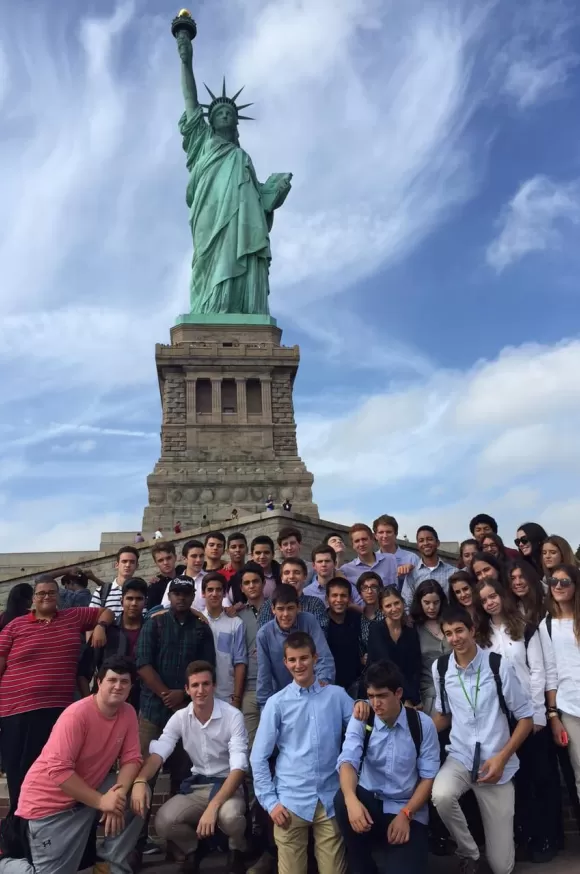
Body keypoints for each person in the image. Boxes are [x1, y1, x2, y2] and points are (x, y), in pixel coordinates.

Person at [0, 656, 143, 874]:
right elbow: (58, 771)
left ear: (131, 686)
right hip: (49, 806)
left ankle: (110, 868)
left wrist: (118, 796)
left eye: (124, 681)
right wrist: (103, 801)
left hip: (87, 796)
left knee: (138, 793)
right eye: (112, 680)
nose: (118, 686)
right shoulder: (77, 715)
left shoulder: (128, 713)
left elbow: (132, 758)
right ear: (99, 681)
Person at [431, 606, 533, 874]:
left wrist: (502, 757)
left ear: (472, 630)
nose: (455, 638)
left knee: (502, 868)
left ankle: (494, 855)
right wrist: (411, 727)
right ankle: (469, 851)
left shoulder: (497, 665)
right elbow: (444, 716)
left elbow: (525, 718)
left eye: (460, 631)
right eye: (449, 633)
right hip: (461, 756)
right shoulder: (440, 668)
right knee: (441, 795)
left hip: (495, 762)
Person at [0, 577, 115, 812]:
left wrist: (100, 626)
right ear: (33, 598)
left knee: (52, 772)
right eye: (41, 593)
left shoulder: (72, 617)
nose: (46, 597)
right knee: (17, 774)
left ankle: (46, 832)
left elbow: (106, 611)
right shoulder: (15, 626)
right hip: (15, 710)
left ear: (58, 596)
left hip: (57, 712)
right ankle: (18, 837)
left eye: (51, 593)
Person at [131, 660, 248, 874]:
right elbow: (159, 753)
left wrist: (213, 808)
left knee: (231, 817)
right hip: (198, 786)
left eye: (205, 684)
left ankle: (237, 849)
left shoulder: (233, 716)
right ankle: (195, 848)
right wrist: (140, 780)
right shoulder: (180, 717)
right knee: (164, 821)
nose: (200, 690)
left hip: (227, 785)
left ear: (213, 685)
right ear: (187, 689)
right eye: (195, 685)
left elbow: (239, 768)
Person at [251, 631, 354, 874]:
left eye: (304, 658)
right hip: (290, 802)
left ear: (315, 658)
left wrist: (362, 707)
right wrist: (270, 802)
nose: (299, 665)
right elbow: (258, 757)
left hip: (329, 799)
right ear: (286, 663)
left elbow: (362, 732)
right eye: (293, 660)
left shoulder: (337, 696)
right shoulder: (277, 703)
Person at [474, 577, 560, 861]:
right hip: (500, 718)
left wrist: (538, 713)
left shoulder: (526, 627)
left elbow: (538, 672)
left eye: (493, 595)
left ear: (503, 595)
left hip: (530, 718)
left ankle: (547, 838)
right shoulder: (481, 635)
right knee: (518, 780)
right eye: (484, 599)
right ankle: (525, 837)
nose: (490, 602)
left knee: (541, 778)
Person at [336, 660, 440, 874]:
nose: (376, 703)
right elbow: (347, 762)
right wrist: (351, 800)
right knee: (341, 799)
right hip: (370, 803)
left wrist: (406, 814)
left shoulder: (422, 724)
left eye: (382, 696)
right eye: (371, 696)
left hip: (406, 806)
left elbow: (428, 778)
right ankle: (362, 862)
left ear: (398, 693)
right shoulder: (363, 718)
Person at [135, 578, 216, 791]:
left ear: (193, 596)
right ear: (169, 596)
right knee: (142, 775)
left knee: (183, 776)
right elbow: (143, 664)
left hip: (186, 711)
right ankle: (136, 825)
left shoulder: (201, 628)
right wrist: (165, 694)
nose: (181, 597)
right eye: (177, 593)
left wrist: (182, 694)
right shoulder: (154, 623)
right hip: (152, 710)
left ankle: (174, 824)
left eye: (186, 593)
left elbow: (207, 669)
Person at [256, 585, 335, 709]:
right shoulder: (264, 634)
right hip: (282, 698)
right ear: (273, 609)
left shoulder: (309, 621)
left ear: (299, 607)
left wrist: (322, 686)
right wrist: (265, 708)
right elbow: (264, 675)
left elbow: (323, 657)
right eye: (280, 609)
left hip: (314, 693)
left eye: (290, 608)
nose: (285, 614)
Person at [540, 565, 580, 803]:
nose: (558, 586)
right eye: (554, 581)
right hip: (571, 709)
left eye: (565, 582)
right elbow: (550, 672)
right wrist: (553, 715)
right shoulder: (547, 625)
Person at [93, 579, 148, 712]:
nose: (134, 603)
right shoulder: (106, 630)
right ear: (121, 600)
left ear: (145, 601)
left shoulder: (153, 630)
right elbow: (86, 670)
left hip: (142, 701)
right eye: (129, 598)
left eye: (139, 599)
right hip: (106, 700)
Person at [365, 586, 421, 708]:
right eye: (388, 606)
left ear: (403, 602)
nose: (394, 608)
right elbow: (387, 664)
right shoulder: (376, 630)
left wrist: (414, 698)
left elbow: (415, 667)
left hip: (407, 694)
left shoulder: (411, 631)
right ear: (382, 610)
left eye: (397, 603)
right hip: (381, 688)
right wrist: (406, 698)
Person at [202, 572, 247, 706]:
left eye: (218, 589)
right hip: (201, 693)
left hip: (227, 694)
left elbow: (240, 662)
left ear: (225, 593)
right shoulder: (197, 621)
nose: (214, 594)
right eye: (210, 590)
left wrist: (237, 697)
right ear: (203, 593)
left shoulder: (236, 623)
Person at [410, 580, 450, 714]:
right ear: (419, 602)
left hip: (458, 689)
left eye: (436, 602)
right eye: (427, 603)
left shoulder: (451, 623)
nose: (432, 607)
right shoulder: (413, 629)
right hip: (429, 694)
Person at [238, 563, 266, 750]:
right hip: (248, 687)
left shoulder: (276, 610)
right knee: (250, 744)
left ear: (263, 583)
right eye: (247, 583)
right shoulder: (237, 615)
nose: (251, 586)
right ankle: (252, 781)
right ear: (241, 588)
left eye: (255, 581)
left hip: (274, 685)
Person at [258, 558, 327, 629]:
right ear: (281, 577)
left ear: (305, 576)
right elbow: (265, 635)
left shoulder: (315, 604)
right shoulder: (268, 606)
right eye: (287, 573)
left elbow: (320, 633)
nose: (291, 576)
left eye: (297, 572)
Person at [325, 578, 365, 696]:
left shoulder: (357, 618)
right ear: (327, 599)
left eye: (343, 596)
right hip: (331, 684)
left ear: (350, 599)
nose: (339, 600)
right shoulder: (322, 622)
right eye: (334, 595)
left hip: (356, 683)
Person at [401, 526, 456, 609]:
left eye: (429, 539)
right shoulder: (412, 575)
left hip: (447, 620)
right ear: (418, 545)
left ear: (437, 543)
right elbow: (406, 604)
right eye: (421, 540)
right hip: (420, 621)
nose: (426, 543)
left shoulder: (452, 572)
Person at [342, 524, 396, 590]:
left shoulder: (390, 560)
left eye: (364, 539)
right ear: (353, 545)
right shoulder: (346, 570)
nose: (361, 544)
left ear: (372, 540)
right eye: (357, 541)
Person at [90, 546, 139, 617]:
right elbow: (91, 619)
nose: (128, 565)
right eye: (124, 561)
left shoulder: (143, 592)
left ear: (137, 566)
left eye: (132, 562)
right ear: (117, 565)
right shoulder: (101, 592)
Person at [160, 539, 206, 610]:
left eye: (201, 556)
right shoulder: (173, 583)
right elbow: (165, 608)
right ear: (185, 559)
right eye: (194, 556)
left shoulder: (211, 580)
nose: (198, 560)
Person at [508, 560, 546, 626]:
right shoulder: (510, 606)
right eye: (513, 578)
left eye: (522, 577)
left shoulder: (546, 603)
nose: (518, 582)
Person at [148, 541, 182, 611]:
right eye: (160, 560)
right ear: (156, 563)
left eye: (168, 558)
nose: (165, 563)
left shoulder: (184, 572)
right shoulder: (154, 587)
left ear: (175, 557)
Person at [356, 571, 383, 645]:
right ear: (360, 593)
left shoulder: (388, 615)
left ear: (380, 590)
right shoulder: (358, 620)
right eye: (365, 588)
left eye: (373, 587)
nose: (369, 591)